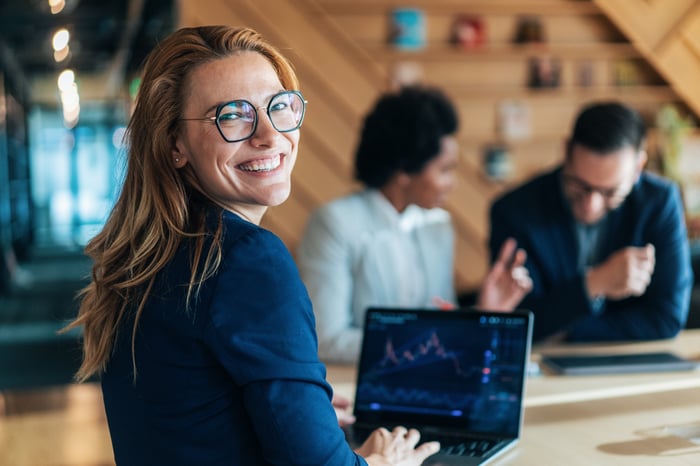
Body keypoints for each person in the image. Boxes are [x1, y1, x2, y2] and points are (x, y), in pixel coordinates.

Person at [62, 25, 441, 466]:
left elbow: (193, 415)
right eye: (233, 115)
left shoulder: (151, 256)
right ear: (174, 144)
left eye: (279, 106)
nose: (269, 135)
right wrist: (384, 462)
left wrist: (303, 411)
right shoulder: (247, 259)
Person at [297, 86, 532, 364]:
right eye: (445, 170)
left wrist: (483, 311)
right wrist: (432, 342)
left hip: (425, 382)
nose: (453, 183)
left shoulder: (438, 225)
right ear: (403, 172)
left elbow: (440, 316)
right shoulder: (335, 224)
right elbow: (327, 340)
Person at [489, 101, 693, 343]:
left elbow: (666, 319)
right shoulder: (514, 211)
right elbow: (519, 322)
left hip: (632, 364)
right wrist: (597, 281)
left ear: (638, 167)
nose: (591, 205)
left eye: (610, 192)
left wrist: (568, 331)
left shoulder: (660, 202)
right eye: (579, 185)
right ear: (566, 151)